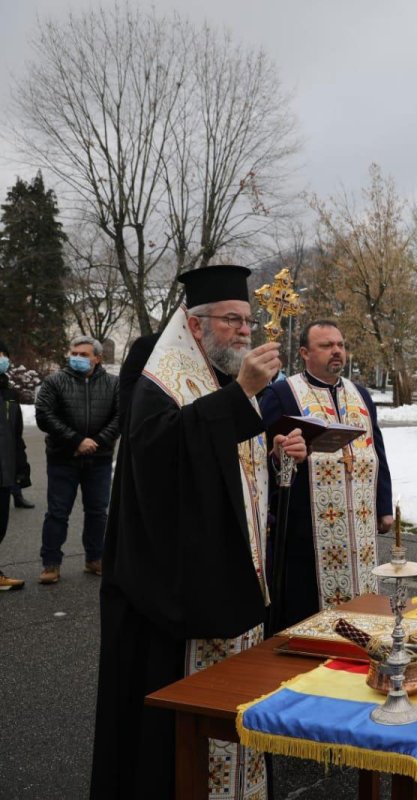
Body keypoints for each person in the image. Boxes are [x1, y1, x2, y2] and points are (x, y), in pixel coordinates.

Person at [91, 265, 308, 799]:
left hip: (232, 585)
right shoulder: (159, 382)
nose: (243, 331)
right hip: (178, 598)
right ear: (194, 325)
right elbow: (163, 462)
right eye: (231, 320)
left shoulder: (221, 382)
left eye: (247, 322)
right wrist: (242, 396)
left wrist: (277, 454)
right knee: (176, 750)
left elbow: (232, 476)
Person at [260, 321, 394, 630]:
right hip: (306, 527)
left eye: (341, 344)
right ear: (305, 353)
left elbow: (378, 451)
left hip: (358, 528)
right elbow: (266, 454)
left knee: (363, 610)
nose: (337, 351)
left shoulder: (359, 394)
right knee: (307, 614)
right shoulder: (283, 393)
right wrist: (279, 456)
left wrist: (383, 505)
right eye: (326, 345)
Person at [34, 335, 120, 584]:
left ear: (97, 358)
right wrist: (77, 441)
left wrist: (97, 442)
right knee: (57, 513)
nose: (77, 358)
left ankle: (95, 559)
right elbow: (44, 415)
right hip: (63, 458)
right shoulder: (54, 382)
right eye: (74, 353)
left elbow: (120, 416)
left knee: (97, 512)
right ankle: (51, 564)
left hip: (99, 459)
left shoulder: (113, 384)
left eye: (84, 355)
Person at [0, 341, 30, 589]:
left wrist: (22, 467)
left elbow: (15, 434)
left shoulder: (8, 393)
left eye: (2, 356)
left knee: (0, 526)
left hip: (4, 472)